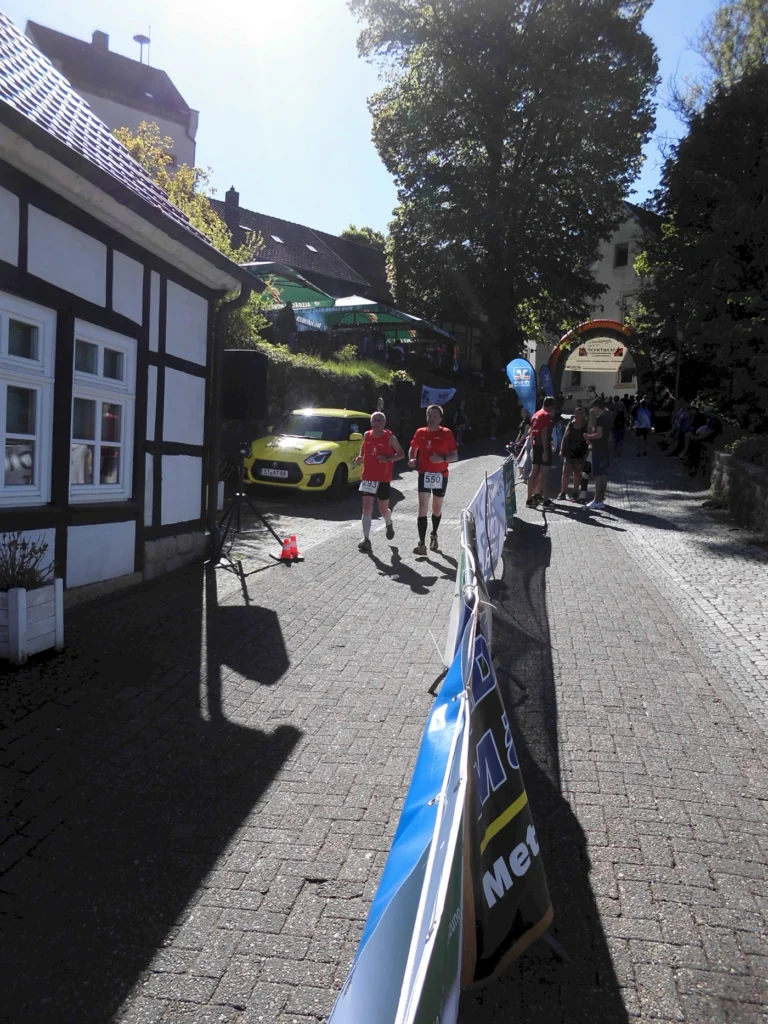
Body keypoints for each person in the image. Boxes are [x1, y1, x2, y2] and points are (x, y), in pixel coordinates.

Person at [408, 405, 458, 554]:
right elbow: (413, 448)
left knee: (436, 508)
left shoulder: (446, 433)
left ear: (440, 419)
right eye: (430, 416)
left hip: (440, 475)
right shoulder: (420, 432)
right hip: (424, 473)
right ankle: (421, 544)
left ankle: (434, 534)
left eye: (435, 416)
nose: (432, 419)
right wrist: (412, 458)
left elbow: (455, 456)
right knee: (422, 507)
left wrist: (442, 458)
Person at [354, 412, 405, 553]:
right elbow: (364, 447)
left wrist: (388, 458)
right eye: (374, 420)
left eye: (379, 420)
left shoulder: (390, 437)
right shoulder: (367, 435)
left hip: (383, 478)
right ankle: (366, 539)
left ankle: (388, 521)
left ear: (384, 422)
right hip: (368, 477)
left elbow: (401, 454)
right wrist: (361, 457)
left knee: (383, 510)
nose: (376, 423)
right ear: (371, 422)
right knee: (367, 509)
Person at [526, 396, 556, 508]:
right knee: (546, 473)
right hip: (543, 445)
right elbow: (544, 434)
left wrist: (533, 448)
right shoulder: (545, 415)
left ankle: (529, 499)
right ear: (552, 406)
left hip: (535, 444)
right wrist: (545, 451)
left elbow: (531, 433)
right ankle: (546, 500)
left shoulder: (535, 415)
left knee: (534, 472)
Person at [585, 397, 612, 510]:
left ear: (596, 407)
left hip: (598, 448)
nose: (592, 410)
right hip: (605, 447)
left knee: (597, 475)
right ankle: (601, 498)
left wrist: (588, 436)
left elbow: (599, 434)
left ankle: (596, 500)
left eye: (593, 408)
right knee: (603, 473)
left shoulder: (600, 419)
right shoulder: (608, 417)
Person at [557, 406, 588, 501]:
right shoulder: (571, 424)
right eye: (575, 413)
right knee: (565, 473)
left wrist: (587, 452)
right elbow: (564, 437)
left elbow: (588, 439)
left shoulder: (586, 425)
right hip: (568, 452)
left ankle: (575, 493)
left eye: (579, 413)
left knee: (577, 473)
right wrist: (561, 449)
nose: (576, 415)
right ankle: (563, 492)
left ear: (583, 415)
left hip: (580, 452)